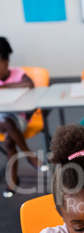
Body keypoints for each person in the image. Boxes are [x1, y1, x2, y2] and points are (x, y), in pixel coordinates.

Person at [0, 37, 47, 198]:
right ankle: (28, 154)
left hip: (18, 120)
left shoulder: (18, 73)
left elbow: (29, 84)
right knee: (6, 122)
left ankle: (12, 181)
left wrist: (4, 86)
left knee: (8, 140)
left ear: (6, 62)